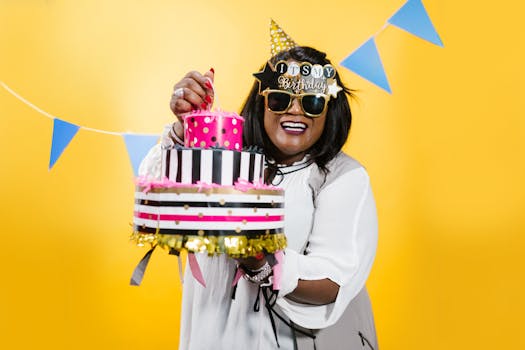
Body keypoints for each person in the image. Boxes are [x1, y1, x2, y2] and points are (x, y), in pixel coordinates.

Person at [141, 42, 378, 349]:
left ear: (330, 109)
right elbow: (155, 192)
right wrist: (186, 126)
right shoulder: (223, 158)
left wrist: (262, 262)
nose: (295, 110)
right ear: (261, 102)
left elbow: (334, 282)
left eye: (312, 102)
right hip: (214, 334)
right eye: (281, 98)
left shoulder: (342, 177)